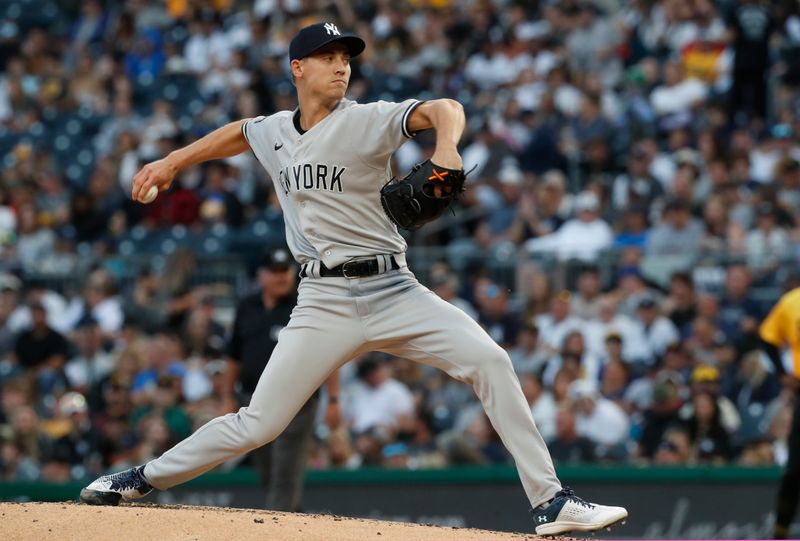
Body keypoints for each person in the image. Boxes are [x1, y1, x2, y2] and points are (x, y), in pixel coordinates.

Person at [79, 22, 627, 535]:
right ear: (297, 68)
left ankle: (551, 501)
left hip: (394, 289)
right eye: (327, 58)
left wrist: (447, 146)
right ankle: (141, 479)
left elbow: (445, 107)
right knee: (259, 424)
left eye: (345, 58)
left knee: (491, 361)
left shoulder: (366, 118)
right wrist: (173, 161)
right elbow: (240, 135)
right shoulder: (275, 131)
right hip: (322, 300)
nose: (340, 67)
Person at [225, 247, 340, 512]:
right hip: (253, 398)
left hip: (297, 401)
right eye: (274, 272)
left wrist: (334, 399)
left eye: (285, 271)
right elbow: (233, 355)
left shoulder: (304, 304)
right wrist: (226, 395)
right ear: (260, 276)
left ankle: (277, 525)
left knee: (285, 471)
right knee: (267, 472)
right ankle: (290, 525)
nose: (282, 277)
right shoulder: (247, 305)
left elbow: (329, 352)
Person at [758, 286, 800, 539]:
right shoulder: (792, 301)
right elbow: (767, 338)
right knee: (795, 469)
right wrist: (782, 374)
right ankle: (780, 532)